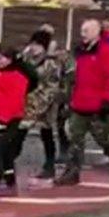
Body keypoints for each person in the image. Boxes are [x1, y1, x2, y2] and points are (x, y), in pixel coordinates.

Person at [55, 19, 109, 186]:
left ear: (96, 32)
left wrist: (107, 99)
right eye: (82, 30)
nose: (83, 34)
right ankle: (72, 171)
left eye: (86, 30)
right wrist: (69, 99)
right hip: (79, 103)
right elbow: (73, 78)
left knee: (104, 139)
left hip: (98, 103)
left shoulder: (108, 51)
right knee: (75, 139)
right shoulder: (80, 52)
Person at [0, 47, 38, 203]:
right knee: (5, 151)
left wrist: (4, 119)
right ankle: (10, 181)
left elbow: (15, 101)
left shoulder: (17, 76)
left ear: (11, 59)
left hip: (8, 119)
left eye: (2, 58)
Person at [22, 27, 66, 179]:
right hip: (26, 103)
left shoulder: (51, 64)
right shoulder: (26, 60)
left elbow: (52, 87)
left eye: (38, 45)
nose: (34, 48)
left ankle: (49, 165)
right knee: (18, 132)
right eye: (33, 44)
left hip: (44, 105)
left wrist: (39, 104)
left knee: (46, 134)